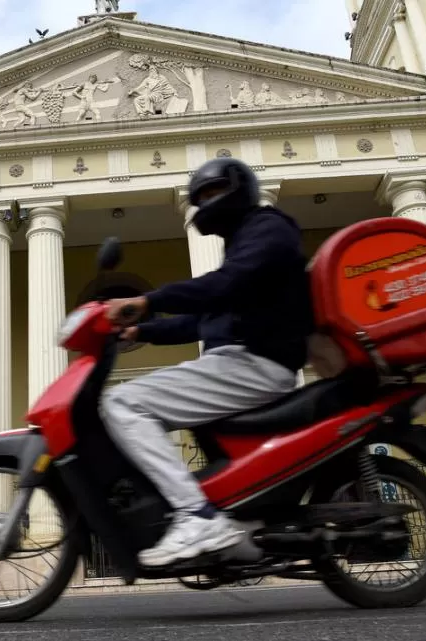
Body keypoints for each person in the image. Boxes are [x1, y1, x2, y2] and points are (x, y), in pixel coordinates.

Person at [99, 157, 314, 568]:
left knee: (123, 403)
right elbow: (203, 320)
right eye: (200, 199)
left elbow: (221, 286)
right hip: (238, 362)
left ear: (240, 190)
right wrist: (140, 330)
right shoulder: (243, 248)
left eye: (214, 193)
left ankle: (197, 517)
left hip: (256, 362)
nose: (206, 205)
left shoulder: (268, 229)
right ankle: (232, 523)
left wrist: (147, 300)